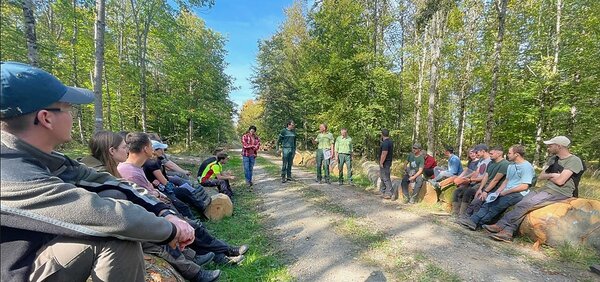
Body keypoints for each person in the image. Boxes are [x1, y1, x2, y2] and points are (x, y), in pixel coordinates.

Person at [0, 62, 196, 281]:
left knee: (115, 197)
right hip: (15, 271)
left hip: (37, 254)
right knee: (115, 235)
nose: (72, 115)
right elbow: (99, 213)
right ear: (46, 118)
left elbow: (108, 182)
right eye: (67, 108)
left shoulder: (46, 158)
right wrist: (169, 230)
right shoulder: (8, 170)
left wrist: (163, 211)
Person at [81, 131, 219, 281]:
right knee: (155, 239)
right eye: (123, 147)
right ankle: (195, 273)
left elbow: (132, 189)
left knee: (168, 224)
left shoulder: (110, 170)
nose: (127, 150)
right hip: (109, 229)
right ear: (112, 151)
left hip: (122, 219)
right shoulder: (100, 174)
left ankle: (193, 257)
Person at [119, 133, 247, 266]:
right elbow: (142, 200)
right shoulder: (129, 171)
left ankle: (223, 255)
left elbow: (148, 189)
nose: (153, 148)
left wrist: (158, 193)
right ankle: (226, 252)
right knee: (191, 227)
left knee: (192, 227)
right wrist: (161, 199)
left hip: (160, 208)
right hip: (155, 215)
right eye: (151, 145)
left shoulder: (136, 167)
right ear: (145, 148)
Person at [485, 136, 584, 242]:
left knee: (526, 204)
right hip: (546, 188)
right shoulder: (553, 159)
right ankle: (508, 232)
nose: (548, 148)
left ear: (559, 146)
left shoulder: (574, 160)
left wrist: (551, 176)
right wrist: (554, 175)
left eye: (550, 145)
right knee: (522, 203)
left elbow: (560, 181)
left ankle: (501, 225)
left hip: (560, 192)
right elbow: (541, 176)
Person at [458, 145, 534, 230]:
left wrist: (506, 192)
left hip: (518, 193)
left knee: (496, 206)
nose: (507, 155)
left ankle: (477, 223)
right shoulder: (511, 165)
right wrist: (497, 192)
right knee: (488, 202)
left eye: (509, 153)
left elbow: (524, 186)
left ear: (516, 154)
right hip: (506, 190)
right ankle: (473, 221)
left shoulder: (526, 167)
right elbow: (506, 181)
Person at [144, 140, 212, 215]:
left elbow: (166, 171)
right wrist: (172, 186)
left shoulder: (158, 160)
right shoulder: (152, 163)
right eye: (161, 149)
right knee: (182, 204)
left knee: (184, 190)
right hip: (161, 189)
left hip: (161, 186)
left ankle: (200, 204)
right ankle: (196, 213)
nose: (163, 151)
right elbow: (164, 181)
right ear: (155, 151)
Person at [460, 146, 509, 219]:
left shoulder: (504, 164)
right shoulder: (491, 162)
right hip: (486, 185)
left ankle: (471, 219)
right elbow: (486, 176)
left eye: (491, 153)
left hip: (495, 188)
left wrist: (485, 191)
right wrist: (480, 188)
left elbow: (495, 180)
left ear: (499, 154)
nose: (490, 155)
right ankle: (464, 216)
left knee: (478, 200)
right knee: (473, 196)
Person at [451, 145, 490, 216]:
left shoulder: (490, 161)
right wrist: (469, 180)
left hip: (482, 183)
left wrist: (471, 179)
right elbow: (476, 172)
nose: (476, 154)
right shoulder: (481, 160)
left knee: (468, 192)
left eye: (477, 152)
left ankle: (462, 214)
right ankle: (455, 213)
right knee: (458, 191)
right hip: (474, 181)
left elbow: (485, 177)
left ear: (483, 151)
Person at [378, 129, 394, 199]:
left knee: (386, 178)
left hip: (385, 162)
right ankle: (382, 191)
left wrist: (381, 162)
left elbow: (384, 153)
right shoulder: (390, 142)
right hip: (388, 161)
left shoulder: (385, 143)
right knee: (382, 177)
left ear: (382, 134)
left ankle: (390, 193)